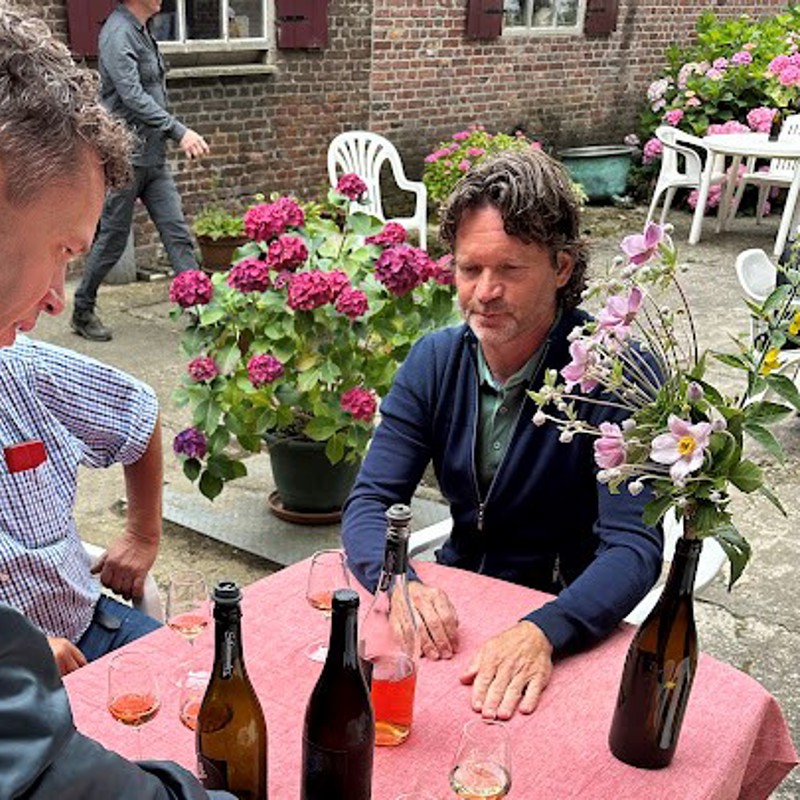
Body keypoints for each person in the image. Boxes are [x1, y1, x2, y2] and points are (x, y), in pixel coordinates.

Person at [0, 6, 234, 798]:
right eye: (65, 249)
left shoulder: (21, 367)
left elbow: (139, 415)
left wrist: (142, 532)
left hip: (82, 628)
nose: (59, 301)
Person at [342, 150, 663, 721]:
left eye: (510, 270)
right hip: (459, 606)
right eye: (470, 269)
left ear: (562, 268)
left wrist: (548, 629)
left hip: (566, 618)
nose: (484, 292)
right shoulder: (435, 362)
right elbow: (370, 500)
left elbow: (634, 549)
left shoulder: (614, 374)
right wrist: (399, 584)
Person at [71, 0, 210, 342]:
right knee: (112, 239)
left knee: (176, 232)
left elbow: (152, 90)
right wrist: (179, 131)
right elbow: (132, 96)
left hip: (153, 159)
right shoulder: (118, 34)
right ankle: (82, 308)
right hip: (125, 158)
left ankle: (201, 311)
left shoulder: (143, 31)